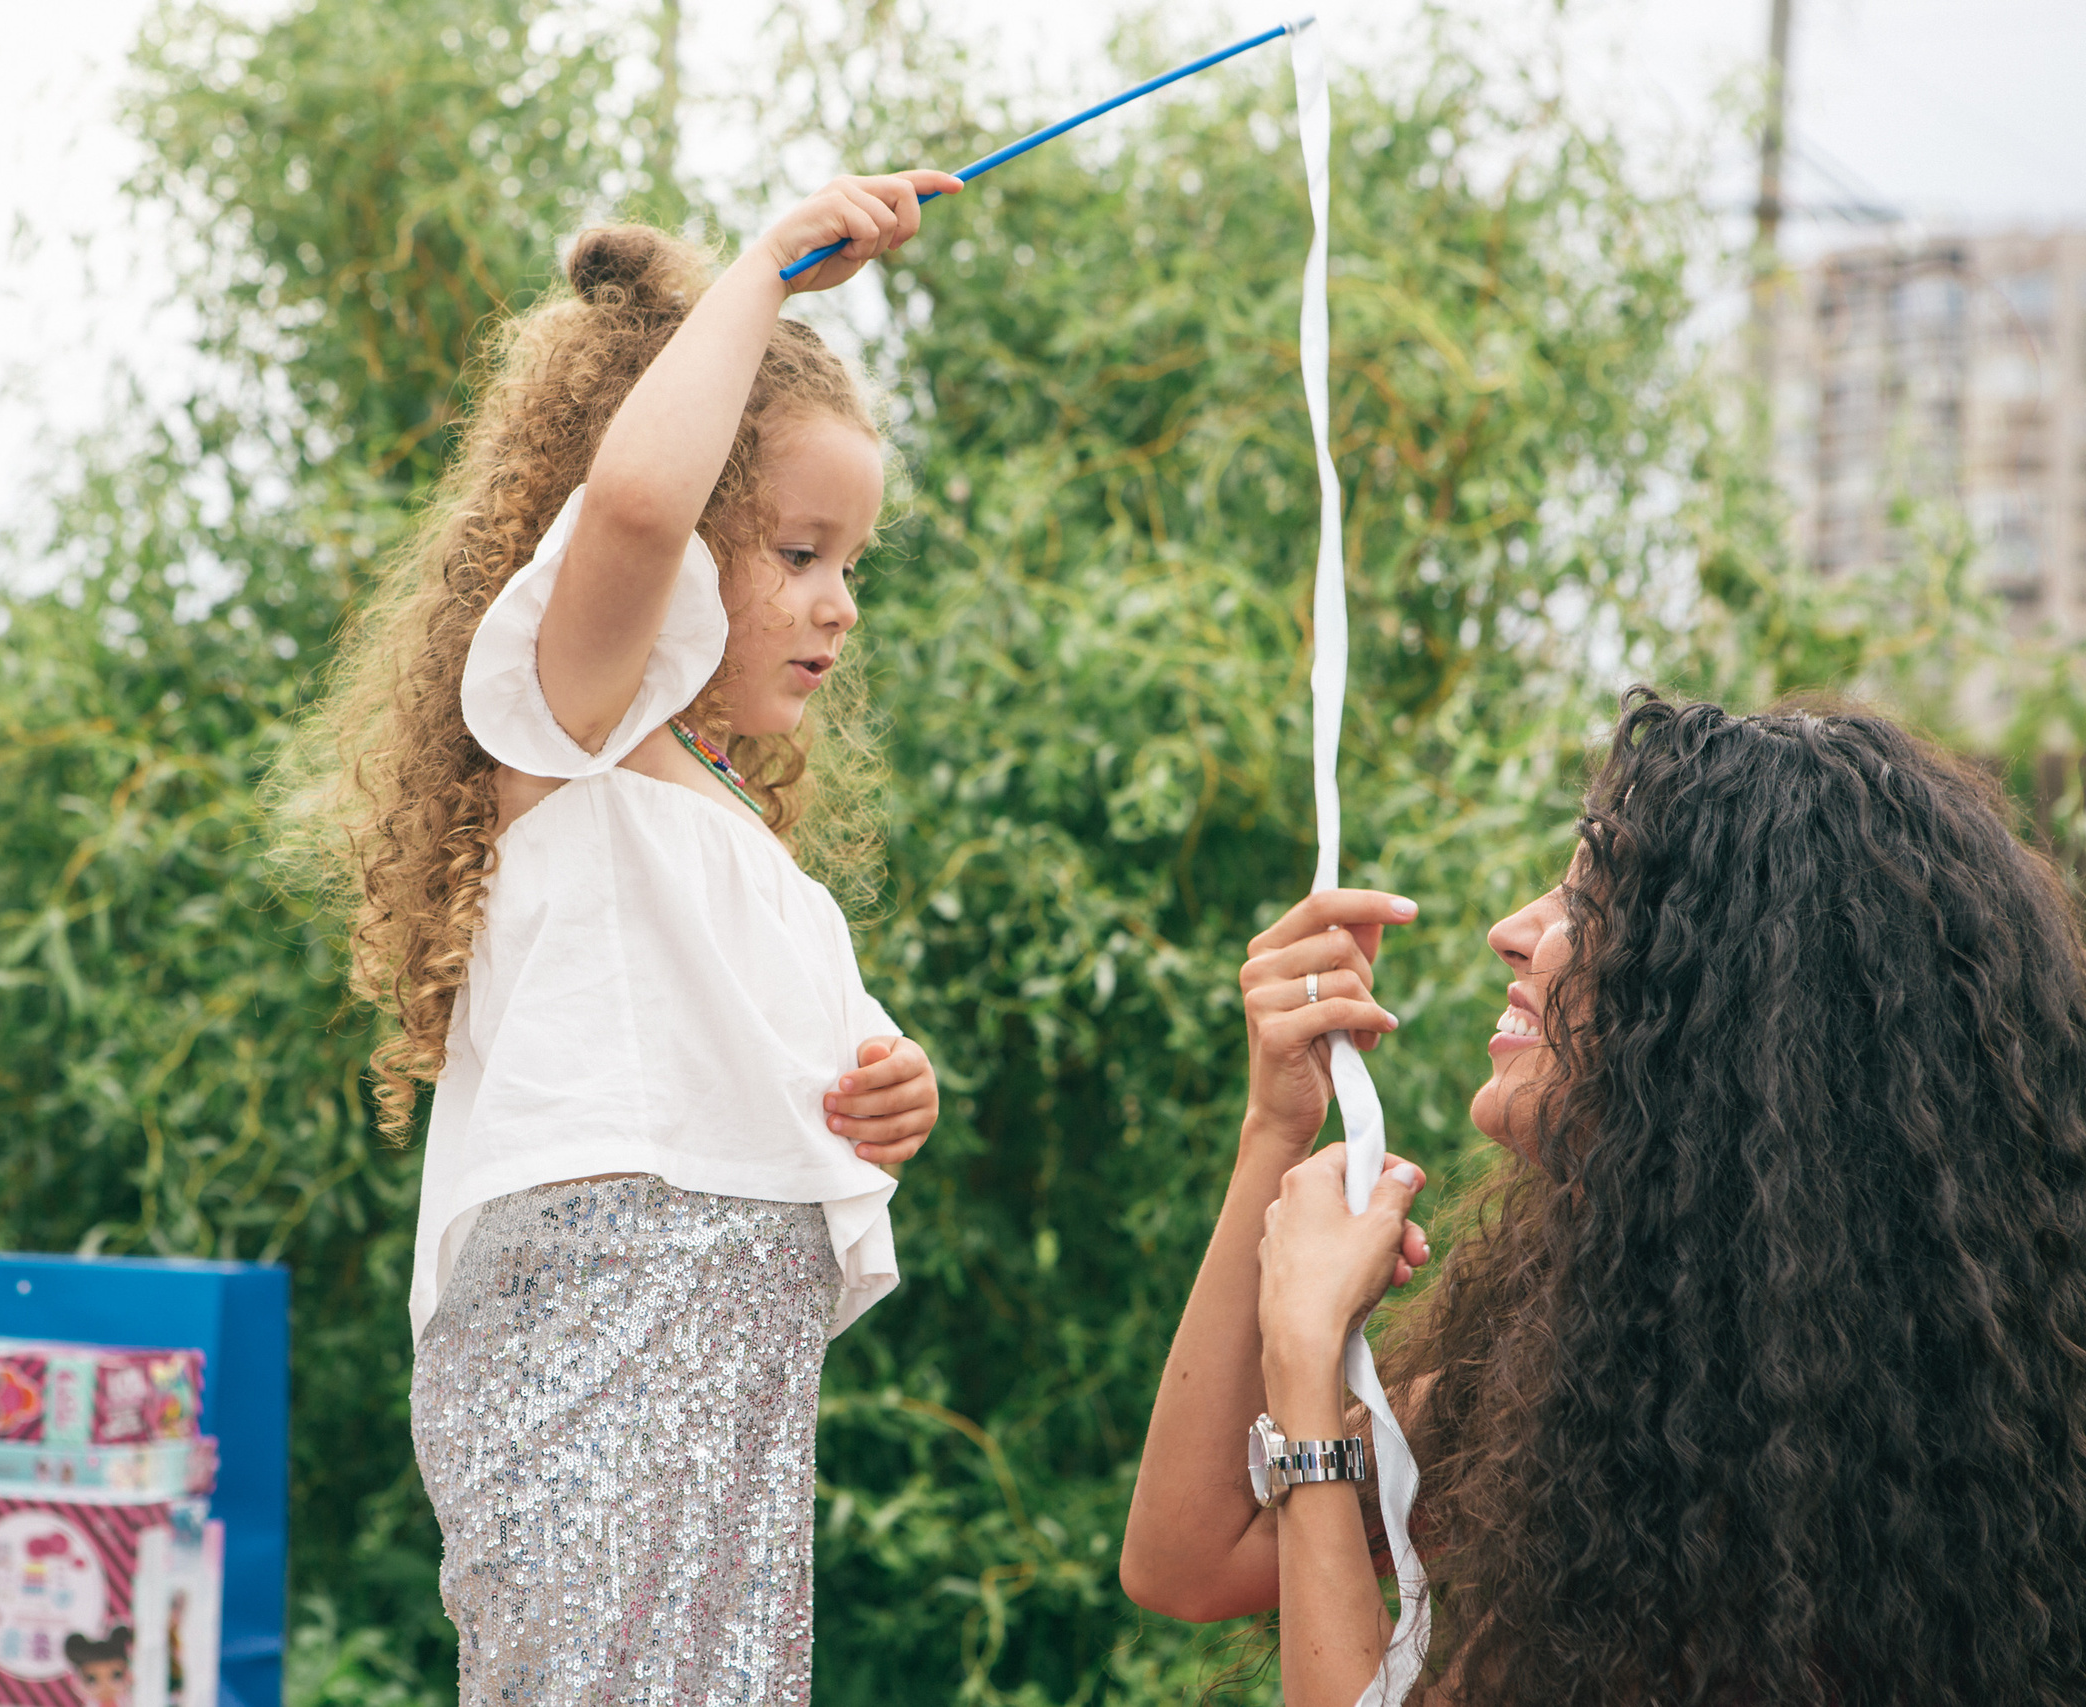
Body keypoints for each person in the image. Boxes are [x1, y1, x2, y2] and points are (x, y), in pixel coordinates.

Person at [284, 174, 963, 1700]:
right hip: (600, 1322)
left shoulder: (729, 831)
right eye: (796, 550)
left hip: (728, 1366)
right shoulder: (571, 721)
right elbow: (645, 500)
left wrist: (889, 1090)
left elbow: (787, 1079)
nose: (838, 603)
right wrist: (768, 273)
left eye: (851, 561)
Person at [1122, 693, 2086, 1706]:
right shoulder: (1615, 1355)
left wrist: (1307, 1352)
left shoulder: (1785, 1496)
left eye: (1589, 906)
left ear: (1733, 1019)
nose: (1510, 932)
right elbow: (1190, 1560)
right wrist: (1276, 1130)